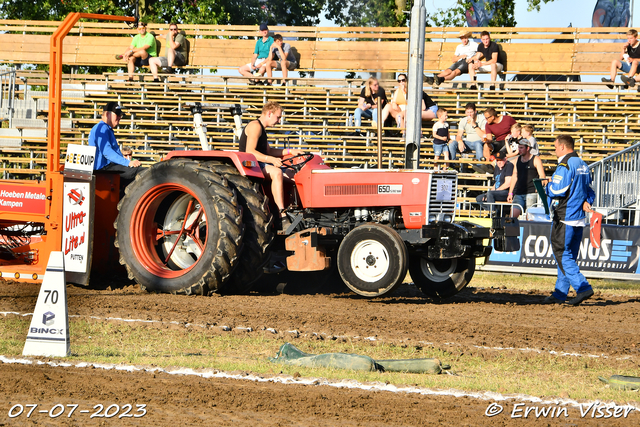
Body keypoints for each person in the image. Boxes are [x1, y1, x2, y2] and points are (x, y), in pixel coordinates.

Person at [544, 134, 595, 305]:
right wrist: (588, 202)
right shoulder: (583, 164)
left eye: (556, 147)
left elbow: (558, 189)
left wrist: (547, 186)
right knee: (568, 256)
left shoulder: (565, 165)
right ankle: (560, 293)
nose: (555, 151)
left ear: (563, 147)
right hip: (579, 219)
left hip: (565, 216)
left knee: (561, 254)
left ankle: (583, 287)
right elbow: (590, 191)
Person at [239, 101, 304, 229]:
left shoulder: (262, 129)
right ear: (269, 113)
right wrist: (271, 160)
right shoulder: (255, 126)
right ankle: (282, 214)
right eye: (278, 117)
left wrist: (291, 151)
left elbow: (269, 151)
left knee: (294, 175)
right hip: (252, 165)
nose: (279, 121)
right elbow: (250, 151)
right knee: (277, 172)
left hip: (260, 163)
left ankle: (298, 211)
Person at [89, 102, 142, 188]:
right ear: (107, 114)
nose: (120, 117)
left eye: (120, 115)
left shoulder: (106, 129)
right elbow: (107, 152)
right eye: (117, 114)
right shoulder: (102, 128)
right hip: (105, 170)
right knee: (142, 172)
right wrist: (128, 163)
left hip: (109, 168)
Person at [507, 138, 546, 218]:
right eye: (519, 147)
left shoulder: (535, 159)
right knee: (512, 217)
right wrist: (510, 192)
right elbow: (514, 175)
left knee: (530, 216)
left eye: (521, 148)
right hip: (519, 192)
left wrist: (539, 187)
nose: (519, 150)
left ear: (527, 148)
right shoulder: (517, 159)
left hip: (531, 191)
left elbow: (542, 176)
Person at [475, 150, 514, 215]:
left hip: (506, 192)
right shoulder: (497, 167)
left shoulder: (509, 166)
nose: (499, 162)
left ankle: (492, 214)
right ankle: (495, 212)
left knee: (490, 194)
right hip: (496, 192)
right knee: (479, 198)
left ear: (505, 159)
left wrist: (495, 191)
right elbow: (496, 182)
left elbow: (508, 183)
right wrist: (488, 193)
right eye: (497, 160)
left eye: (501, 160)